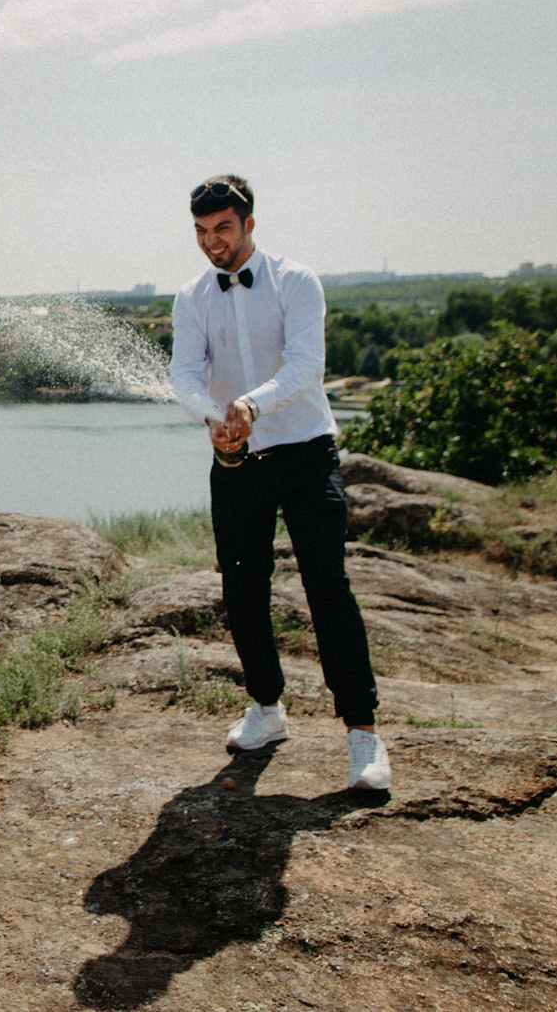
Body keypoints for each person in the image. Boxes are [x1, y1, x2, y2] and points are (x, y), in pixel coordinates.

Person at [167, 176, 390, 792]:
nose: (213, 243)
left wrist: (249, 406)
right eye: (202, 232)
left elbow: (306, 366)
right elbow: (183, 373)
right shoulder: (191, 298)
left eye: (224, 229)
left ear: (249, 224)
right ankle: (266, 709)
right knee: (242, 587)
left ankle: (363, 734)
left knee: (327, 583)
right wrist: (214, 417)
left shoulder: (297, 281)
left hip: (305, 451)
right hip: (237, 458)